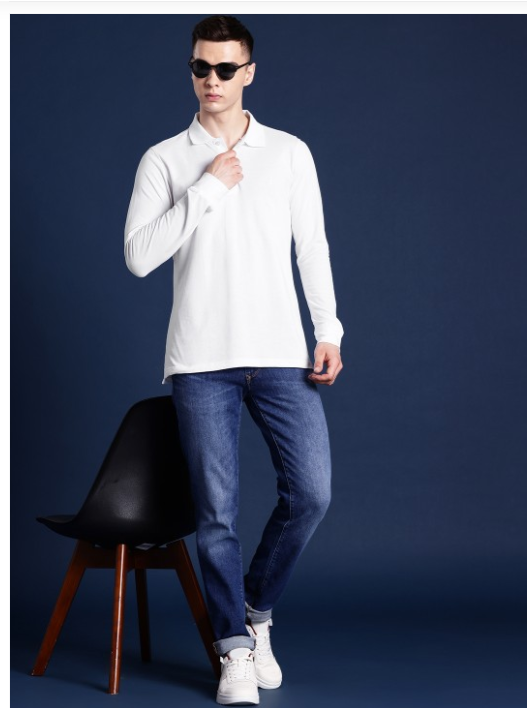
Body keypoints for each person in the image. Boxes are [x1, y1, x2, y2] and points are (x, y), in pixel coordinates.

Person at [124, 14, 344, 706]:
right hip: (201, 359)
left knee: (311, 492)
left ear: (249, 72)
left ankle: (254, 612)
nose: (211, 80)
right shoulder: (165, 159)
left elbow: (312, 246)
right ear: (190, 70)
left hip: (280, 352)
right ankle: (234, 652)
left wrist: (328, 329)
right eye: (200, 67)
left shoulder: (289, 153)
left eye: (224, 68)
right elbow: (138, 257)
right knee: (216, 514)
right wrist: (208, 189)